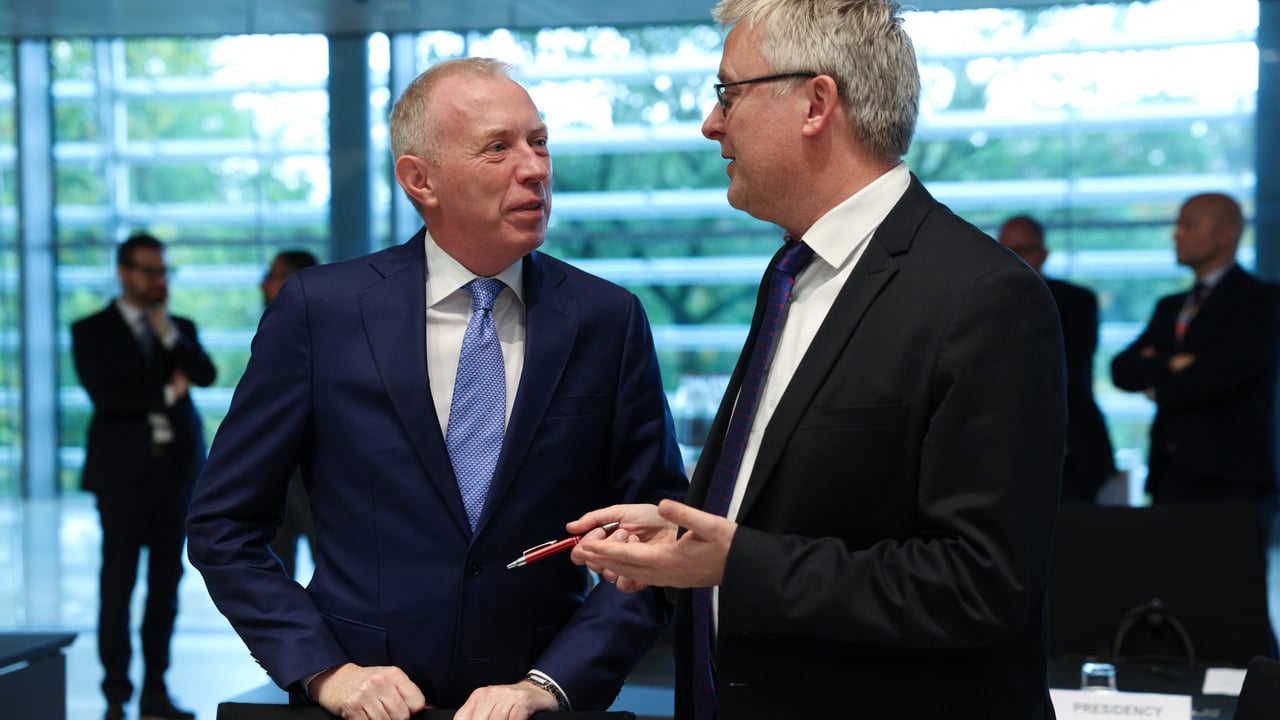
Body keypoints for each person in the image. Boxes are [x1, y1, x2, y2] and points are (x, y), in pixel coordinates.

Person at [569, 1, 1066, 719]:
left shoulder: (983, 298)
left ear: (815, 103)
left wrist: (736, 561)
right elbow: (797, 501)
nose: (711, 125)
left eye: (728, 94)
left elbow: (978, 584)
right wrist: (687, 533)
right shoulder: (794, 273)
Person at [185, 57, 687, 720]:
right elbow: (223, 524)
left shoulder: (607, 319)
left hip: (536, 702)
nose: (534, 167)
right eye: (498, 148)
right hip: (357, 706)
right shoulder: (322, 310)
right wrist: (323, 670)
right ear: (420, 180)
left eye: (539, 142)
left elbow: (658, 543)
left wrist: (554, 684)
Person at [72, 232, 217, 720]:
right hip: (121, 479)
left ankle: (156, 691)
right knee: (117, 585)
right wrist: (168, 395)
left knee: (165, 585)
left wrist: (167, 335)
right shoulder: (91, 330)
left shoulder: (179, 327)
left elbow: (206, 373)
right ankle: (116, 694)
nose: (159, 281)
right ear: (124, 272)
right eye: (150, 272)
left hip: (175, 477)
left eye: (164, 272)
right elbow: (110, 398)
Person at [1111, 193, 1280, 511]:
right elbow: (1121, 370)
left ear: (1224, 234)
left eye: (1188, 225)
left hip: (1233, 482)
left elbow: (1219, 376)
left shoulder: (1260, 301)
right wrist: (1174, 362)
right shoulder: (1170, 306)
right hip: (1169, 476)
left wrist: (1157, 374)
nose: (1176, 234)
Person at [999, 214, 1117, 502]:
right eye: (1005, 251)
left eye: (1022, 250)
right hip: (1004, 455)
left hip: (1071, 453)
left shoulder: (1076, 301)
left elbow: (1066, 366)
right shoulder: (979, 304)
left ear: (1043, 253)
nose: (1014, 259)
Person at [260, 249, 320, 579]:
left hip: (312, 467)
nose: (263, 284)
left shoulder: (313, 327)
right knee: (276, 567)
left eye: (272, 276)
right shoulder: (275, 325)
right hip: (279, 470)